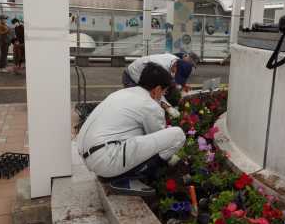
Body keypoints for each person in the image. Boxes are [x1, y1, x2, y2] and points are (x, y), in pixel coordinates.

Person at [77, 63, 186, 196]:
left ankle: (116, 173)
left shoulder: (123, 92)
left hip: (88, 155)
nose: (163, 95)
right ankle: (124, 178)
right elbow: (158, 137)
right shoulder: (150, 105)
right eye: (164, 91)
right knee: (177, 135)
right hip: (105, 159)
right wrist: (173, 160)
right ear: (157, 89)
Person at [122, 53, 196, 116]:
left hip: (145, 75)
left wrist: (182, 85)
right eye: (177, 74)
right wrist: (168, 107)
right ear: (175, 66)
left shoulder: (176, 61)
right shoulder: (159, 68)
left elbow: (172, 81)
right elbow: (155, 92)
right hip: (131, 78)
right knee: (141, 107)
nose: (176, 76)